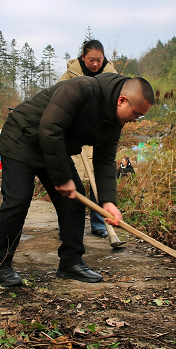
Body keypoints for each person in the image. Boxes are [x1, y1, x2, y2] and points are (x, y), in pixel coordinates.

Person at [0, 73, 154, 286]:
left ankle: (71, 262)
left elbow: (104, 160)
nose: (135, 120)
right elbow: (50, 128)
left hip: (53, 147)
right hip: (22, 137)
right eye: (137, 114)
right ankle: (1, 266)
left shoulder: (115, 120)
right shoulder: (82, 88)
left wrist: (108, 202)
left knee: (74, 200)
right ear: (122, 100)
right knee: (18, 200)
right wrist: (61, 177)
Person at [59, 39, 118, 237]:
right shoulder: (70, 75)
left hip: (98, 134)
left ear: (104, 58)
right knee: (71, 182)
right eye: (91, 60)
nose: (95, 64)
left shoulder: (112, 77)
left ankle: (99, 224)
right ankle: (67, 225)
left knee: (98, 179)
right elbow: (57, 99)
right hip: (74, 136)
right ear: (83, 57)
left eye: (99, 60)